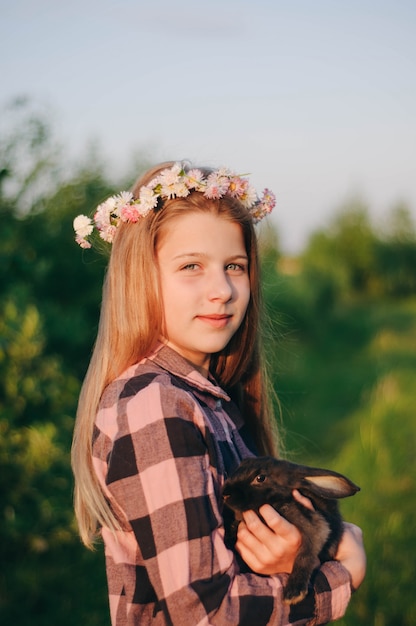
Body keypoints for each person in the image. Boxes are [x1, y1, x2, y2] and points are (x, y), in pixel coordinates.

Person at [71, 161, 366, 625]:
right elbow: (207, 612)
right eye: (191, 266)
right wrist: (343, 573)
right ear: (139, 278)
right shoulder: (156, 405)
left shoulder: (207, 398)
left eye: (235, 266)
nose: (222, 290)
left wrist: (310, 545)